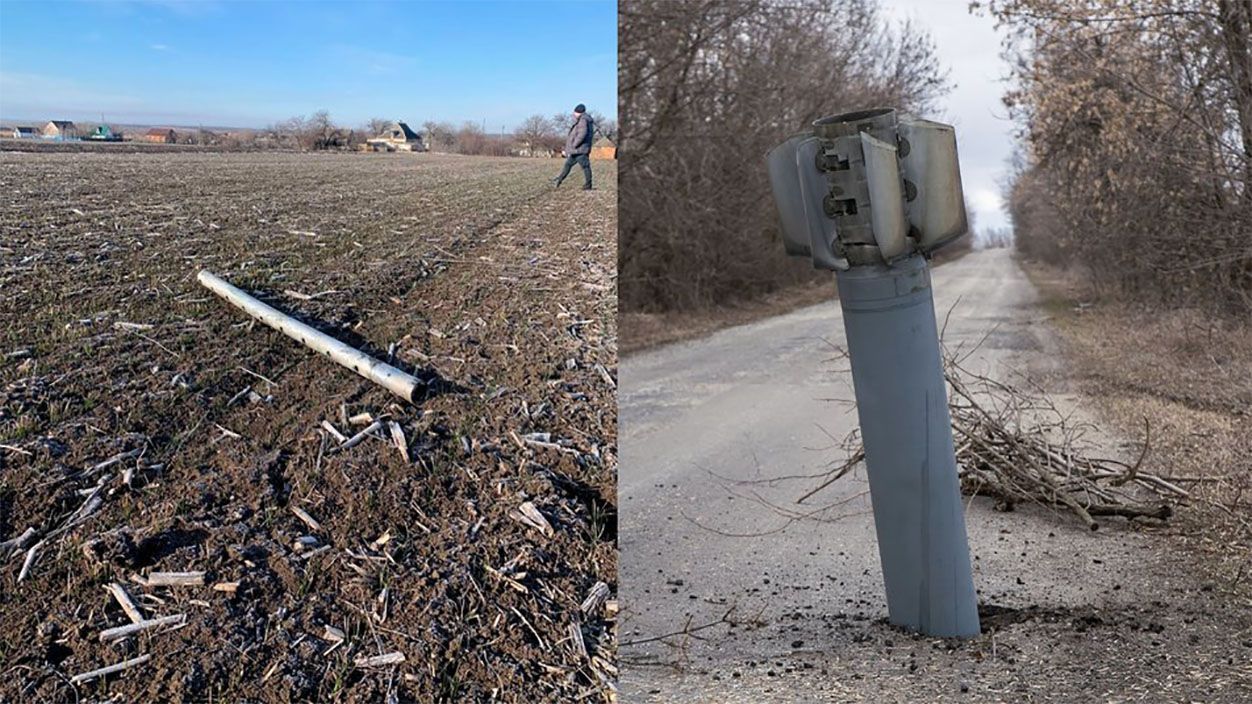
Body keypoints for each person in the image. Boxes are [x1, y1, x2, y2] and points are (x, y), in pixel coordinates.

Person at [552, 104, 594, 190]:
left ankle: (588, 185)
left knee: (585, 167)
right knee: (568, 165)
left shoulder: (583, 120)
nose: (574, 114)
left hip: (580, 149)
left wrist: (574, 144)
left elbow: (582, 134)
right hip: (577, 150)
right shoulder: (584, 120)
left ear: (579, 112)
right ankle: (559, 179)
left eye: (575, 112)